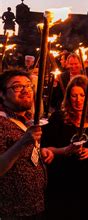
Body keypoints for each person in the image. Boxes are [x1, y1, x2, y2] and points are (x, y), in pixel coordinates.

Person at [42, 75, 88, 219]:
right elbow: (46, 147)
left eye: (82, 95)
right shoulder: (58, 118)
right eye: (74, 95)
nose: (78, 100)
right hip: (65, 181)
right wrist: (65, 150)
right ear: (68, 96)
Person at [0, 69, 54, 218]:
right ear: (2, 94)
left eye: (28, 85)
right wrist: (22, 143)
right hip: (12, 210)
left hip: (35, 204)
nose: (25, 90)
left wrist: (40, 150)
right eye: (17, 86)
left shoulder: (28, 118)